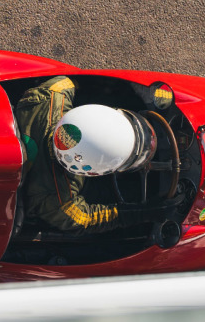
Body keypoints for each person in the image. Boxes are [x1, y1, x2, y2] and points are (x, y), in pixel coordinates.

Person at [14, 76, 166, 233]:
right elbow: (86, 220)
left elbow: (74, 80)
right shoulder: (58, 199)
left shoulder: (50, 94)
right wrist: (142, 213)